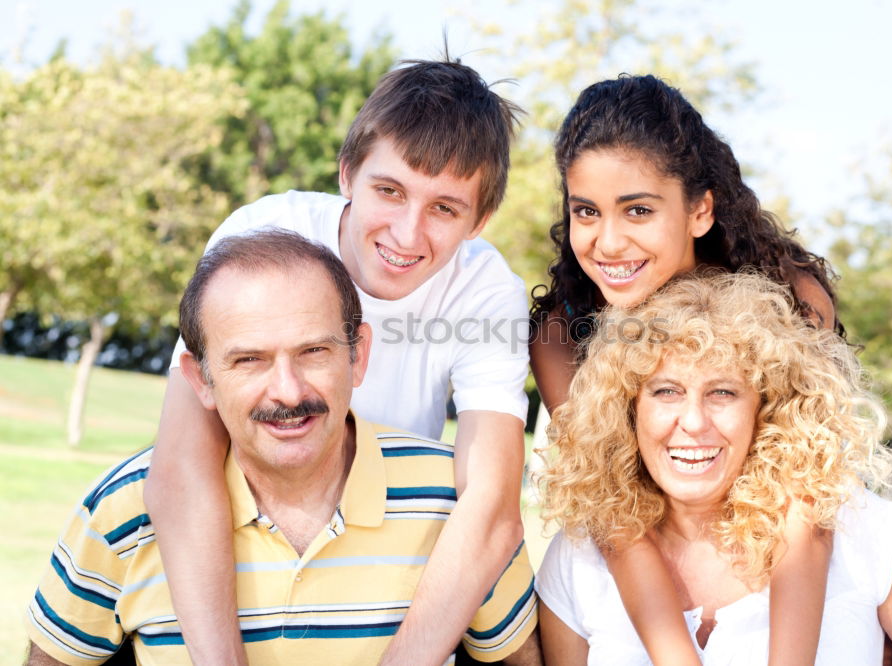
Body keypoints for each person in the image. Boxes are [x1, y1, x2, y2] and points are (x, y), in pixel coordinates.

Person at [144, 60, 533, 665]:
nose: (407, 233)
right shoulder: (265, 233)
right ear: (348, 173)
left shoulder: (485, 291)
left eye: (445, 209)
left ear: (479, 222)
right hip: (253, 534)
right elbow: (181, 466)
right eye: (390, 190)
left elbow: (492, 504)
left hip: (381, 545)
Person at [25, 230, 540, 665]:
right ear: (200, 379)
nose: (288, 391)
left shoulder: (456, 500)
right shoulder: (121, 511)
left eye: (313, 352)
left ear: (358, 356)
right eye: (249, 361)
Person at [529, 75, 840, 663]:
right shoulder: (560, 336)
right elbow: (613, 509)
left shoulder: (790, 298)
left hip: (781, 561)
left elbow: (806, 499)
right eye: (587, 212)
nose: (609, 241)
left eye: (638, 210)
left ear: (699, 211)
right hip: (658, 569)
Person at [534, 272, 892, 665]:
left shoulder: (865, 534)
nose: (692, 422)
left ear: (764, 410)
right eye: (666, 391)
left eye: (723, 393)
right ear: (629, 409)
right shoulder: (578, 558)